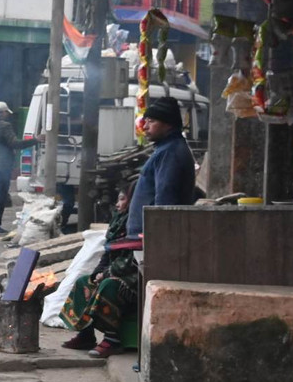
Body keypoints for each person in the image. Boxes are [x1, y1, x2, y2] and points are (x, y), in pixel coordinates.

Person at [60, 185, 139, 358]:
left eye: (122, 199)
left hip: (136, 278)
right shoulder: (118, 221)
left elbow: (133, 260)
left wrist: (107, 274)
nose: (117, 204)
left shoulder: (138, 223)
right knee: (83, 282)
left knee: (109, 285)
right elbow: (108, 253)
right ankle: (86, 334)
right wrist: (97, 273)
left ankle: (112, 340)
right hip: (116, 272)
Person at [126, 95, 197, 239]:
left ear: (168, 124)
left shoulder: (170, 152)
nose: (145, 127)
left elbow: (165, 198)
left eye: (151, 121)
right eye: (145, 121)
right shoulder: (167, 149)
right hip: (146, 235)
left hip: (151, 236)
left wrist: (157, 236)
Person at [0, 101, 37, 235]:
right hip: (2, 166)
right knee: (1, 196)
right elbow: (15, 144)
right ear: (3, 112)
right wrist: (35, 139)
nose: (7, 116)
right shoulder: (4, 126)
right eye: (6, 113)